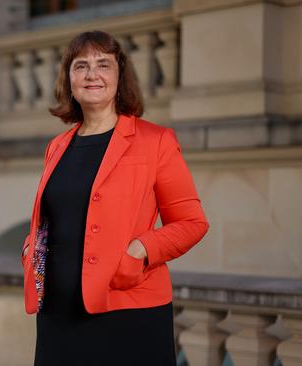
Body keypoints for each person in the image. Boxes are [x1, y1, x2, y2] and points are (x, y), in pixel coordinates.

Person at [20, 30, 209, 365]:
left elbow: (192, 223)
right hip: (57, 316)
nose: (92, 74)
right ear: (70, 79)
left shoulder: (156, 141)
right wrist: (30, 248)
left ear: (120, 76)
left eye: (103, 64)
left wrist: (140, 252)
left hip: (128, 311)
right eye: (81, 66)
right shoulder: (57, 146)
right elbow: (55, 218)